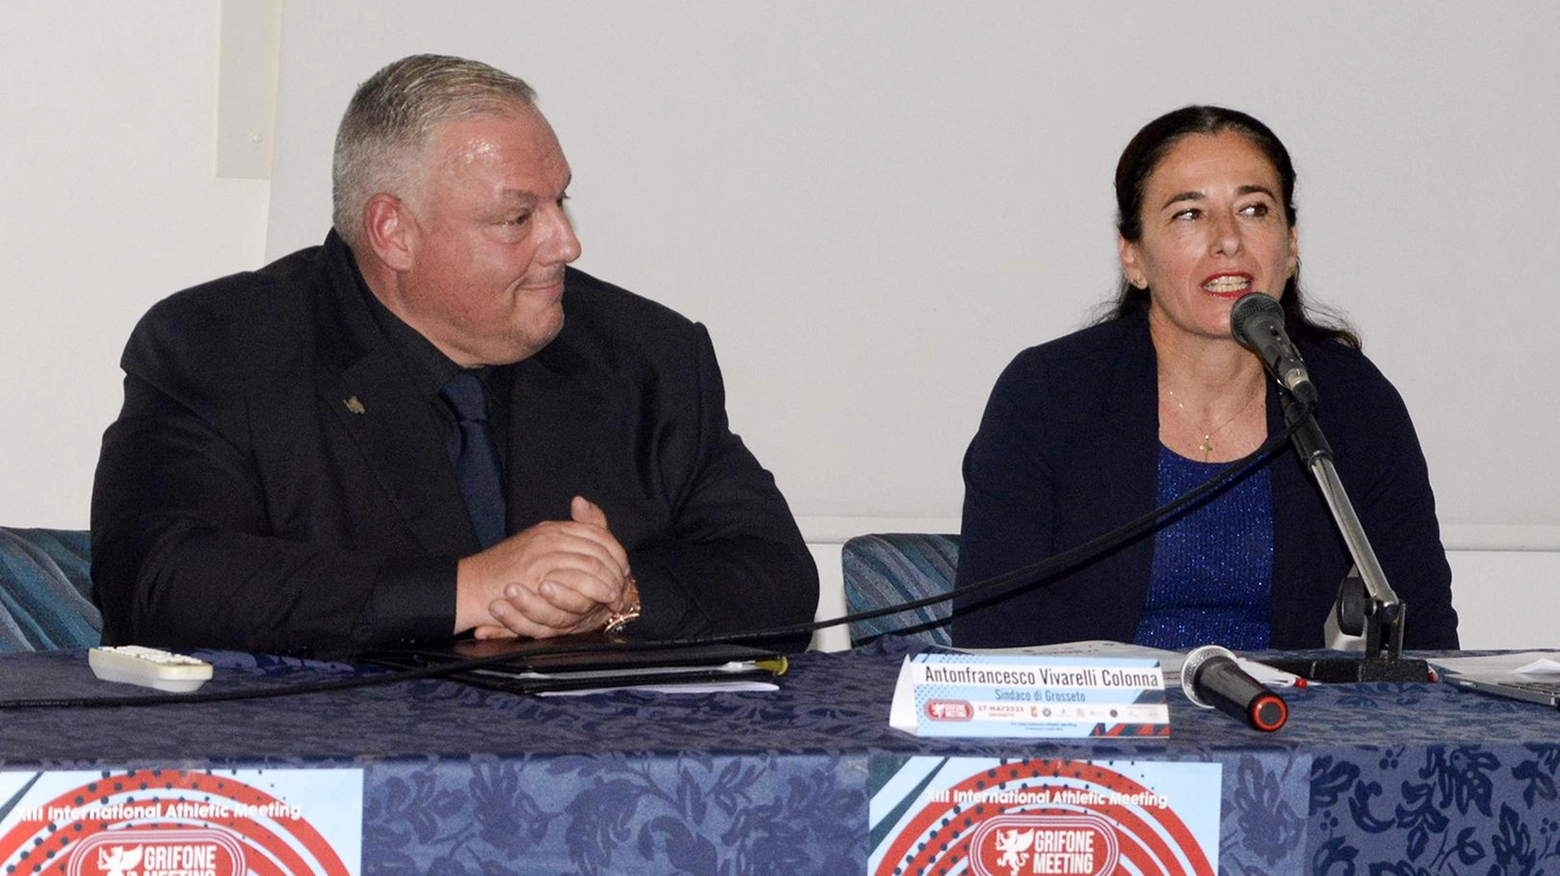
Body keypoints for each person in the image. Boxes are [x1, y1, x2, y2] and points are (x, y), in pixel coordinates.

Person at [90, 54, 818, 658]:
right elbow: (161, 579)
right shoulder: (223, 346)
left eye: (562, 202)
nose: (565, 244)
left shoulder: (647, 356)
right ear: (393, 232)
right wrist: (468, 587)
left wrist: (616, 602)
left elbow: (776, 576)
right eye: (518, 218)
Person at [951, 105, 1458, 651]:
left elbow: (1424, 639)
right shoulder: (1048, 397)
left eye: (1254, 209)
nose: (1228, 239)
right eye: (1189, 214)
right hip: (1096, 728)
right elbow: (990, 644)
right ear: (1133, 257)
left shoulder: (1346, 398)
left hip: (1281, 727)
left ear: (1290, 246)